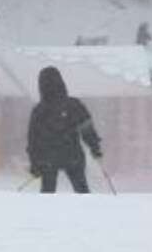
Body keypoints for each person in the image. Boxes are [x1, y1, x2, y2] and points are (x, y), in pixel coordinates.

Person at [26, 65, 103, 194]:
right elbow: (87, 129)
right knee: (82, 191)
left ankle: (46, 214)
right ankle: (88, 212)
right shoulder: (74, 105)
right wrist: (95, 148)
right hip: (73, 155)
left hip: (48, 159)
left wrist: (35, 164)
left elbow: (33, 140)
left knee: (47, 195)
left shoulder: (39, 111)